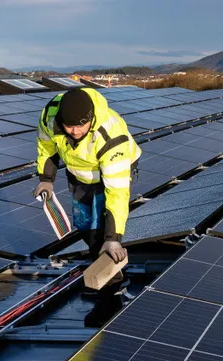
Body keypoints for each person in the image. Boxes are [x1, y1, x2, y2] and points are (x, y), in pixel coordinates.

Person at [32, 87, 141, 327]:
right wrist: (46, 179)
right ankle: (104, 268)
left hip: (110, 173)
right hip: (80, 172)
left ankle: (111, 292)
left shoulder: (111, 136)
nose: (76, 131)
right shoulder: (49, 117)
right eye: (70, 127)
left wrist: (114, 237)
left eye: (81, 126)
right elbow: (46, 147)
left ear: (91, 117)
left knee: (100, 230)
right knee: (84, 225)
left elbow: (117, 192)